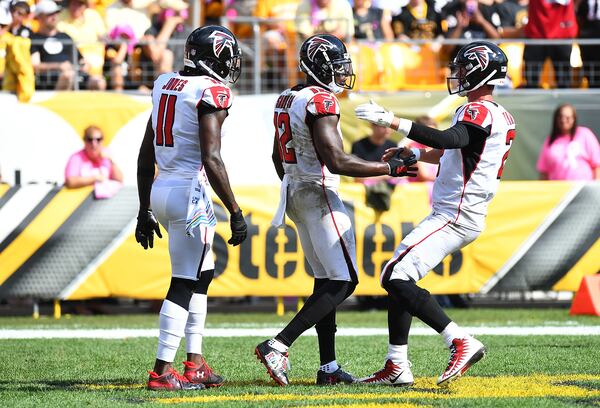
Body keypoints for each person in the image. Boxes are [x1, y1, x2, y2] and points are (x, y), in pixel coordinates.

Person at [254, 33, 416, 387]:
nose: (343, 72)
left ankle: (328, 368)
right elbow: (337, 160)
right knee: (345, 280)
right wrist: (388, 169)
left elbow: (275, 156)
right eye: (336, 65)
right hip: (318, 191)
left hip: (295, 190)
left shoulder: (289, 96)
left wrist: (295, 182)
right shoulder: (321, 101)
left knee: (326, 280)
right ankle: (278, 345)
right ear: (318, 65)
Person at [354, 40, 516, 386]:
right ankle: (396, 365)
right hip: (460, 211)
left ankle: (458, 339)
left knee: (393, 275)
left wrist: (393, 120)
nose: (456, 75)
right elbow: (455, 152)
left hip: (455, 212)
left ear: (479, 71)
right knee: (401, 275)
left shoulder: (479, 112)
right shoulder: (498, 115)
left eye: (462, 69)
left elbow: (450, 140)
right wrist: (415, 155)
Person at [135, 25, 248, 391]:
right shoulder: (211, 91)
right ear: (208, 57)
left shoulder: (164, 83)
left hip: (162, 188)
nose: (230, 65)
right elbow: (211, 158)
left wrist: (143, 208)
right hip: (190, 192)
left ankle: (194, 362)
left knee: (202, 273)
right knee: (184, 280)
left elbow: (145, 151)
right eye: (225, 58)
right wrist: (235, 209)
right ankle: (161, 371)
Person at [537, 104, 600, 180]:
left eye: (568, 117)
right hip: (558, 189)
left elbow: (597, 164)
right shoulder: (550, 141)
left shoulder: (584, 134)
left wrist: (596, 187)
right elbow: (544, 172)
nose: (563, 120)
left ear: (573, 119)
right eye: (560, 117)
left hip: (583, 188)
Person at [65, 125, 124, 198]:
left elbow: (119, 179)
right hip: (82, 202)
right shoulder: (77, 158)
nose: (94, 144)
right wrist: (95, 178)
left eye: (98, 139)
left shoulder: (106, 156)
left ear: (102, 141)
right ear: (84, 141)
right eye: (90, 139)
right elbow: (70, 182)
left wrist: (111, 160)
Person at [351, 123, 398, 213]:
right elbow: (358, 178)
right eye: (384, 127)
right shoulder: (358, 146)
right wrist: (385, 175)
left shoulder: (393, 146)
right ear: (372, 126)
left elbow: (399, 174)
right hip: (363, 203)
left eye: (390, 127)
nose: (388, 130)